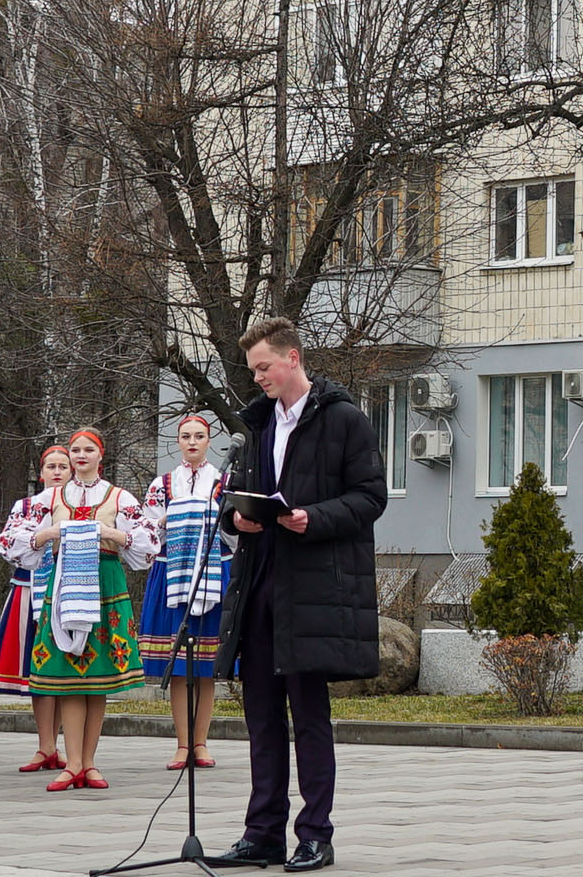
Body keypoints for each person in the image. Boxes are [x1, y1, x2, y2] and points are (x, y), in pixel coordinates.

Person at [207, 317, 386, 875]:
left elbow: (370, 497)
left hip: (313, 588)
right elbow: (229, 500)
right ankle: (262, 834)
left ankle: (315, 835)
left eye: (264, 367)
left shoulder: (345, 420)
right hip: (260, 583)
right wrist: (237, 516)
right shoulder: (256, 427)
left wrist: (315, 517)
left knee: (309, 717)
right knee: (260, 716)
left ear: (293, 358)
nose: (257, 378)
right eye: (253, 369)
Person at [20, 429, 153, 792]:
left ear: (100, 455)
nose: (80, 455)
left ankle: (88, 763)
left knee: (95, 681)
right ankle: (72, 762)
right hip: (64, 588)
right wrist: (49, 534)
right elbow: (16, 541)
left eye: (88, 449)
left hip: (104, 585)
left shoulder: (118, 496)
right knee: (69, 679)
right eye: (75, 449)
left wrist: (110, 533)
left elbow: (147, 544)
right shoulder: (50, 498)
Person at [139, 415, 232, 770]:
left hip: (212, 570)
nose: (192, 442)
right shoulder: (162, 484)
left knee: (205, 664)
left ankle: (201, 742)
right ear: (177, 441)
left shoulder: (223, 482)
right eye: (185, 436)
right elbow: (146, 531)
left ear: (209, 441)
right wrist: (167, 519)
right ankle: (181, 744)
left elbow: (235, 533)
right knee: (179, 664)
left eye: (199, 436)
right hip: (171, 571)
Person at [0, 444, 71, 772]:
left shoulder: (82, 505)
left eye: (62, 466)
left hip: (71, 593)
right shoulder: (27, 506)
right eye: (50, 466)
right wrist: (44, 536)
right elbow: (8, 544)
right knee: (38, 666)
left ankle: (60, 742)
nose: (56, 472)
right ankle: (44, 744)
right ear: (40, 473)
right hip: (30, 589)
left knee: (64, 664)